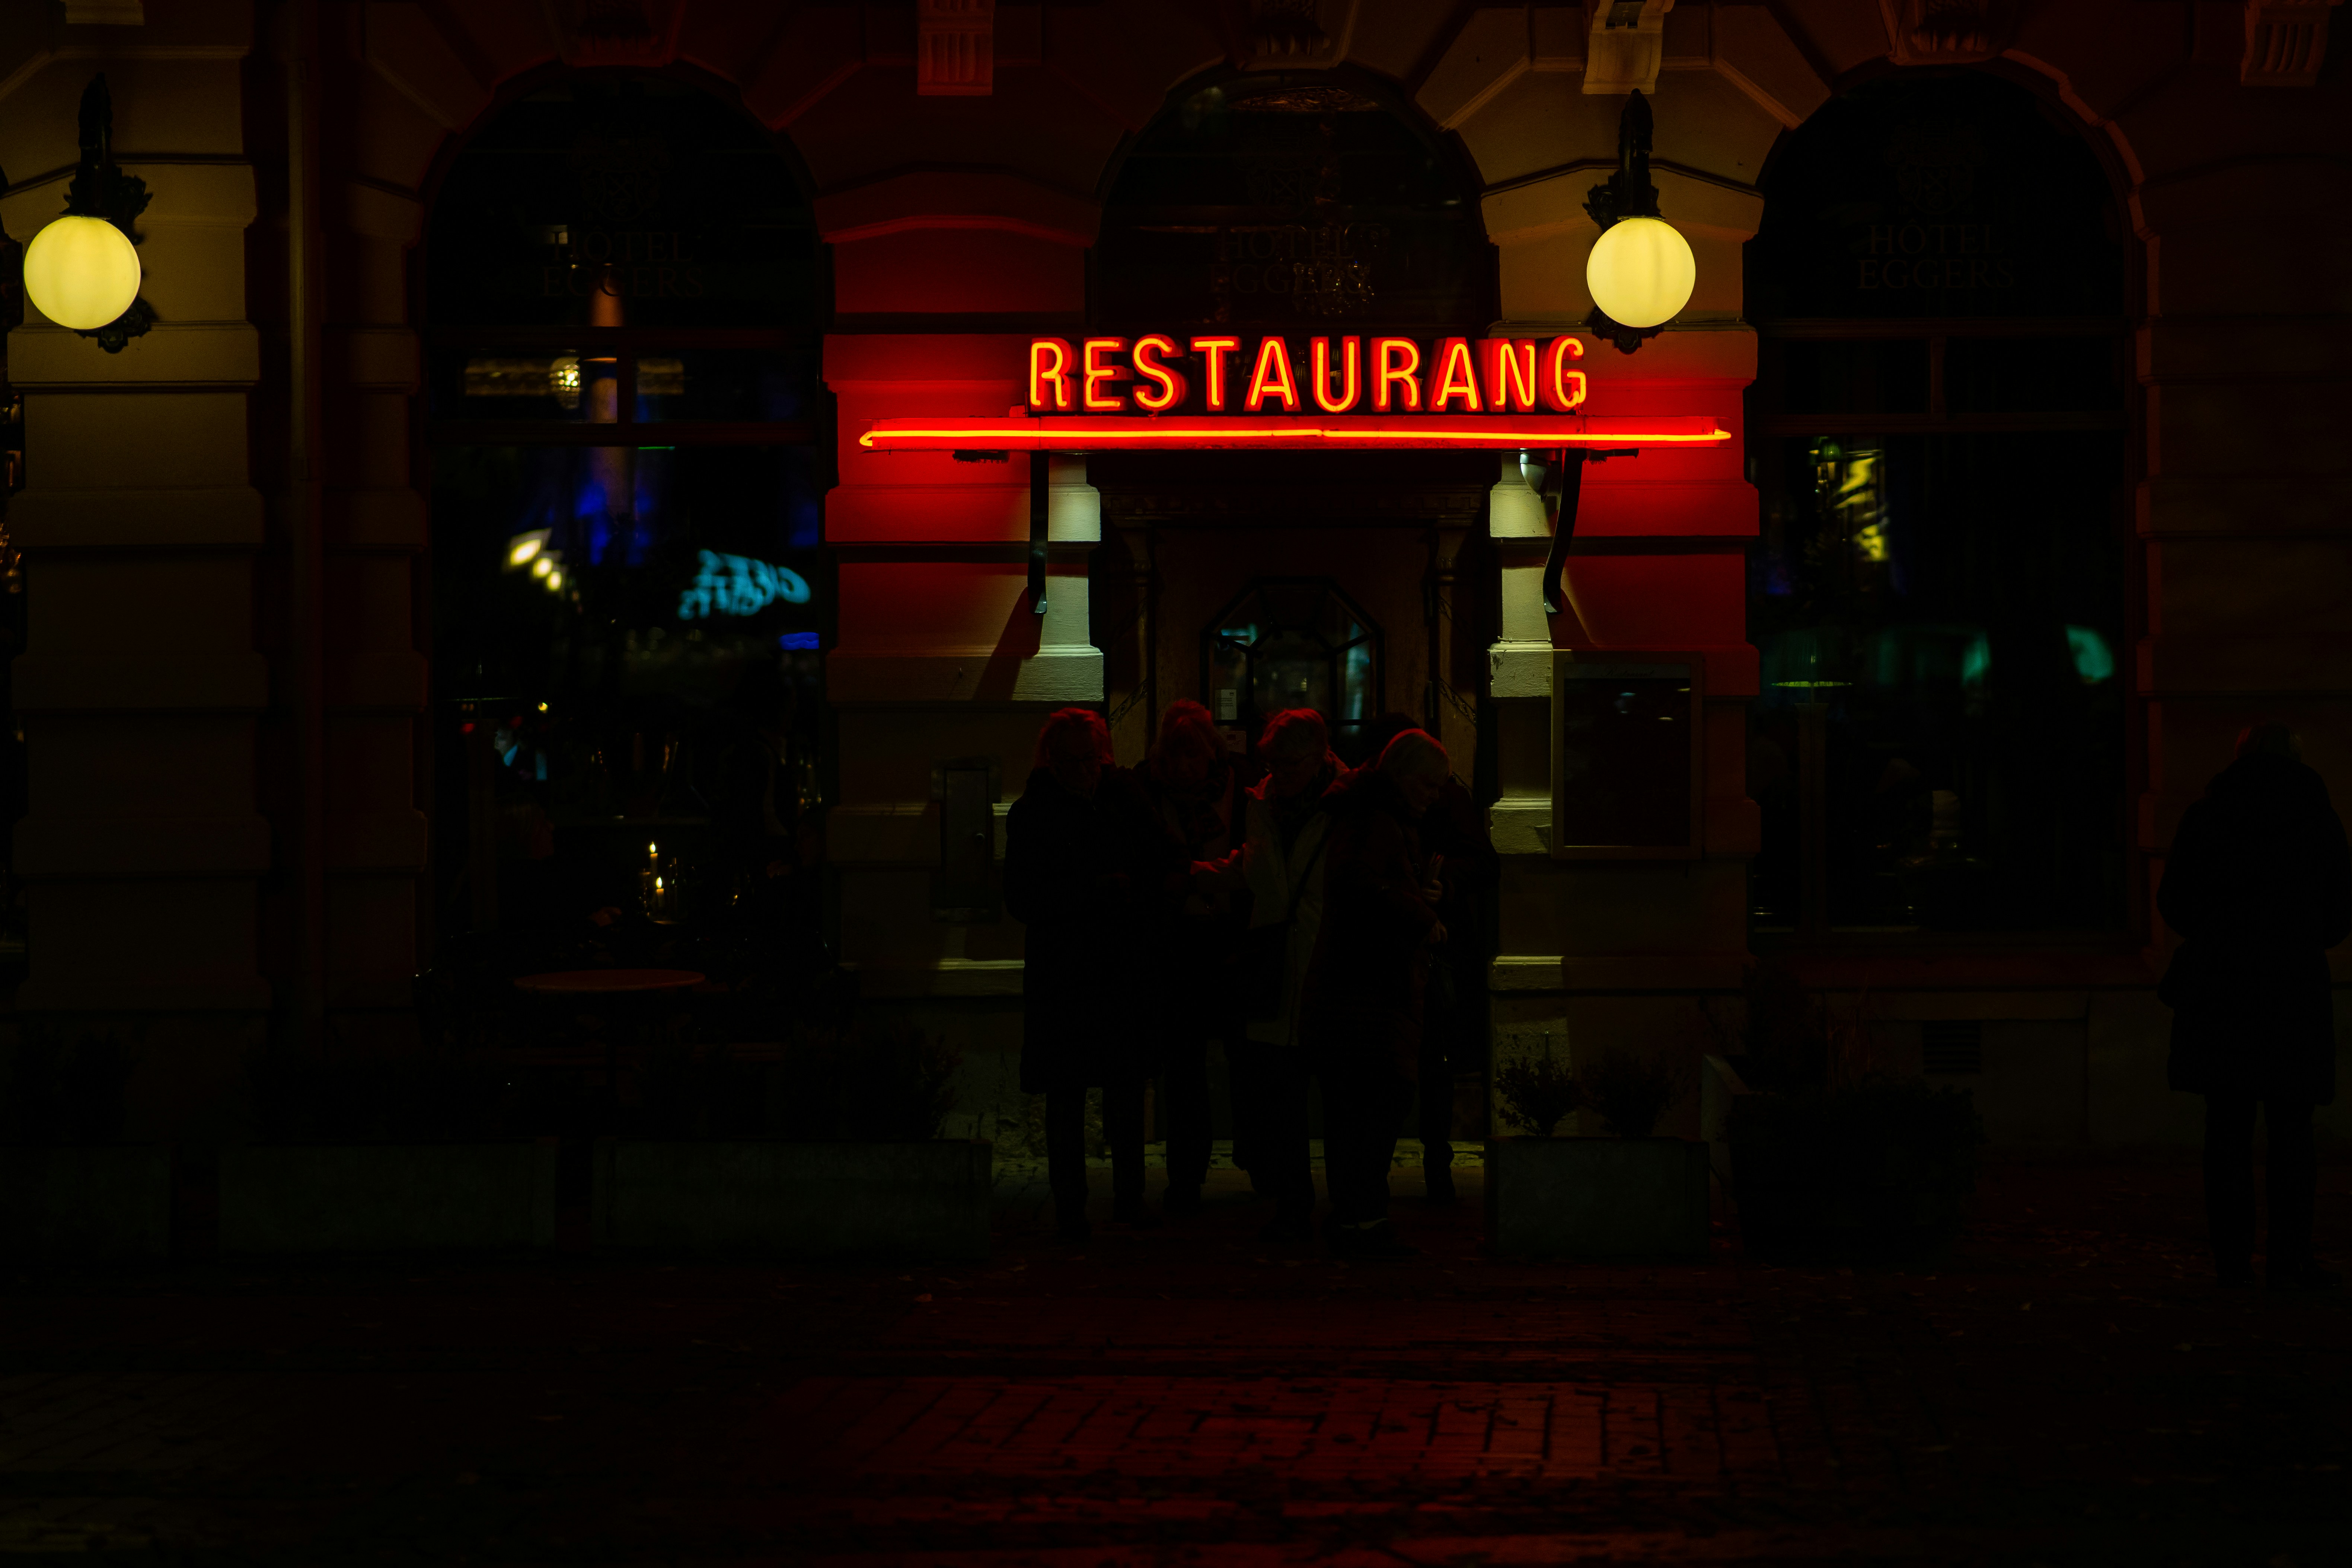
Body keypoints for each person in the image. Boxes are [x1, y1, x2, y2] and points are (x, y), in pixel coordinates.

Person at [2158, 722, 2351, 1291]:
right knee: (2293, 1130)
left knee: (2227, 1128)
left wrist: (2221, 932)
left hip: (2222, 984)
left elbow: (2174, 901)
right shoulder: (2318, 818)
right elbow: (2340, 915)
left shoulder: (2209, 814)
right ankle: (2289, 1260)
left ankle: (2233, 1262)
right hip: (2293, 987)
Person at [1003, 707, 1166, 1243]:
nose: (1083, 770)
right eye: (1072, 761)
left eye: (1090, 759)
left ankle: (1127, 1197)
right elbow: (1022, 897)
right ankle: (1072, 1205)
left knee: (1122, 1091)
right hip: (1066, 973)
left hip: (1116, 967)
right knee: (1067, 1097)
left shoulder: (1123, 802)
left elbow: (1159, 864)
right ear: (1050, 761)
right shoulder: (1034, 814)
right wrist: (1094, 891)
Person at [1299, 729, 1450, 1259]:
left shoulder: (1376, 814)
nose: (1433, 796)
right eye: (1427, 785)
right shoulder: (1372, 817)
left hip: (1362, 992)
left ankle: (1360, 1217)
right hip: (1367, 994)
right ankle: (1362, 1219)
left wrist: (1416, 895)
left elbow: (1368, 883)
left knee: (1363, 1113)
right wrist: (1418, 914)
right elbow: (1359, 884)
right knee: (1370, 1111)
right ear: (1400, 774)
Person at [1194, 708, 1344, 1242]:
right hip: (1277, 967)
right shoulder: (1263, 804)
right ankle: (1294, 1201)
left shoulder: (1345, 804)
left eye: (1290, 762)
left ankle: (1346, 1205)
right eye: (1274, 762)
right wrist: (1198, 875)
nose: (1280, 772)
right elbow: (1253, 867)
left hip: (1330, 967)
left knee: (1337, 1099)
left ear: (1320, 754)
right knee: (1281, 1102)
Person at [1356, 713, 1498, 1204]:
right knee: (1415, 1066)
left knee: (1428, 1064)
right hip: (1410, 946)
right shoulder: (1388, 811)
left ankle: (1420, 1168)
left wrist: (1446, 884)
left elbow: (1481, 860)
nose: (1434, 793)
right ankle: (1419, 1171)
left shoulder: (1413, 805)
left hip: (1429, 948)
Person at [1136, 700, 1257, 1218]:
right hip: (1179, 943)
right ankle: (1187, 1174)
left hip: (1234, 941)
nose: (1185, 767)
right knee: (1184, 1070)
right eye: (1177, 756)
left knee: (1247, 1062)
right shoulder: (1147, 794)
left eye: (1194, 755)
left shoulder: (1242, 789)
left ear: (1211, 753)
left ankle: (1257, 1160)